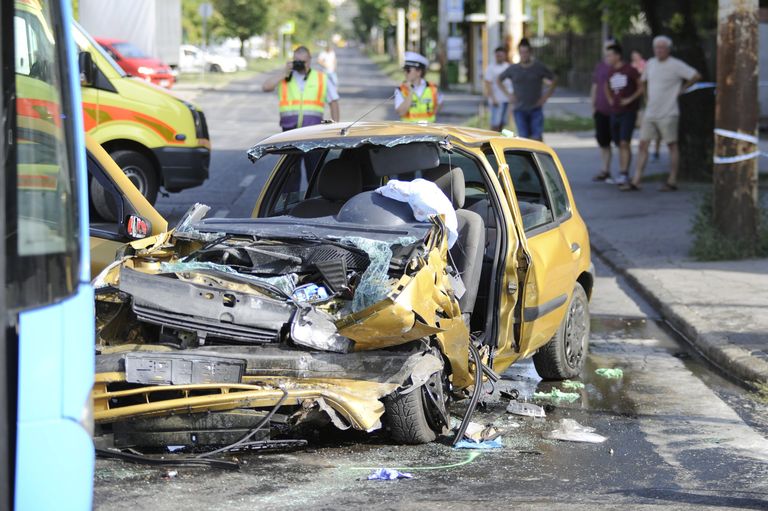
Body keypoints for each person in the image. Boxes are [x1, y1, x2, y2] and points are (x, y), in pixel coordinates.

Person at [623, 36, 700, 191]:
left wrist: (683, 89)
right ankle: (636, 179)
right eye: (657, 47)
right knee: (643, 144)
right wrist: (646, 97)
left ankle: (672, 180)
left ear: (668, 49)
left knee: (671, 145)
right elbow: (643, 81)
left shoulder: (675, 65)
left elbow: (695, 75)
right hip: (651, 111)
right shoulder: (650, 63)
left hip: (669, 111)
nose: (659, 50)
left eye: (662, 47)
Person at [262, 46, 340, 131]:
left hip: (314, 129)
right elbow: (266, 87)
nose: (300, 65)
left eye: (303, 62)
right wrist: (284, 73)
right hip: (289, 129)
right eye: (297, 62)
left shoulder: (321, 78)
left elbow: (334, 102)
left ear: (310, 59)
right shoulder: (286, 77)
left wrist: (335, 127)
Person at [497, 38, 557, 141]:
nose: (524, 55)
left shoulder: (538, 67)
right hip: (519, 109)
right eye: (521, 52)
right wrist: (508, 95)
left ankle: (539, 155)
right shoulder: (514, 69)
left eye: (526, 52)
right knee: (524, 139)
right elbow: (499, 79)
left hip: (535, 108)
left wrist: (545, 97)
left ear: (530, 52)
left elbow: (554, 79)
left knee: (536, 138)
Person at [603, 43, 643, 186]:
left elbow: (641, 87)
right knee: (618, 143)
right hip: (615, 112)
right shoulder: (610, 71)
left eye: (609, 55)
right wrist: (610, 100)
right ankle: (622, 171)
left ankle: (624, 173)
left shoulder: (630, 70)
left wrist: (629, 99)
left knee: (625, 142)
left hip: (628, 111)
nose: (607, 58)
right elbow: (606, 86)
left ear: (617, 56)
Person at [591, 41, 616, 183]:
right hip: (600, 109)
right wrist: (593, 104)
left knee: (619, 141)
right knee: (603, 141)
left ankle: (622, 172)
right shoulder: (600, 67)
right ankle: (605, 169)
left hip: (615, 110)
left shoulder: (618, 68)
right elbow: (595, 86)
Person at [395, 51, 443, 123]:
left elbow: (439, 105)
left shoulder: (433, 88)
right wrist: (410, 92)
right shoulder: (400, 89)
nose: (405, 73)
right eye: (404, 70)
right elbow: (401, 112)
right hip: (409, 132)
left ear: (419, 72)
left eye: (408, 70)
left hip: (429, 131)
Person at [631, 48, 661, 161]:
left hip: (660, 105)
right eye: (632, 57)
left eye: (636, 56)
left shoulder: (646, 64)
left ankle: (656, 150)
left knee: (659, 131)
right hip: (646, 102)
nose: (634, 58)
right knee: (645, 137)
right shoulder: (635, 66)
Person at [484, 46, 513, 132]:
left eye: (501, 55)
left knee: (503, 123)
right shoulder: (491, 67)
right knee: (495, 123)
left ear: (504, 55)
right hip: (496, 100)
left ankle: (499, 141)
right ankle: (491, 141)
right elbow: (487, 83)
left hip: (506, 99)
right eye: (498, 55)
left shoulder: (508, 66)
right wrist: (493, 98)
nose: (499, 57)